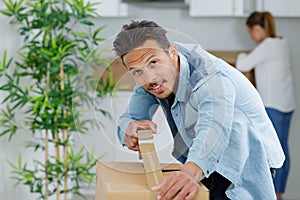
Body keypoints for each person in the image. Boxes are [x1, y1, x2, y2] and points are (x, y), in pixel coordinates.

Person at [113, 20, 285, 200]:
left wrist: (191, 171)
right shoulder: (149, 73)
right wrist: (128, 129)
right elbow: (132, 117)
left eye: (154, 62)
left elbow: (214, 127)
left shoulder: (210, 77)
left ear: (172, 53)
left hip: (245, 155)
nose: (149, 77)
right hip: (206, 157)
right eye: (136, 71)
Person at [236, 11, 295, 200]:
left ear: (256, 28)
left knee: (272, 152)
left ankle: (272, 195)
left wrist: (243, 54)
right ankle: (278, 194)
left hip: (272, 105)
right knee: (283, 151)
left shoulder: (267, 45)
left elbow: (243, 64)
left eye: (250, 32)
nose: (251, 37)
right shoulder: (281, 43)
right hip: (286, 105)